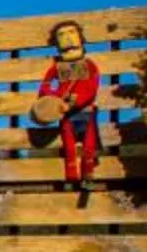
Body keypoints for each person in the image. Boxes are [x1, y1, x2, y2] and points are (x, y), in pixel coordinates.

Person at [33, 20, 105, 188]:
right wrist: (53, 99)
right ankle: (71, 176)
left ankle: (88, 175)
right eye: (61, 35)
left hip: (86, 110)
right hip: (65, 113)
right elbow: (45, 85)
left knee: (89, 145)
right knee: (69, 147)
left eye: (71, 33)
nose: (67, 38)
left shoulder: (89, 65)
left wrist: (76, 101)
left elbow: (92, 87)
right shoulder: (57, 66)